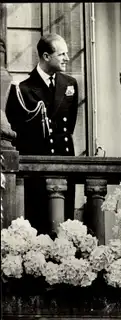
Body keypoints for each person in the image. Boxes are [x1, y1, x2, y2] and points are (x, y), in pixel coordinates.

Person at [5, 33, 78, 233]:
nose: (67, 58)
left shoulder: (70, 84)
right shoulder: (23, 89)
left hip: (64, 163)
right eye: (62, 54)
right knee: (40, 225)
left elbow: (68, 126)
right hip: (38, 167)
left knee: (65, 226)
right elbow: (19, 132)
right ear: (46, 56)